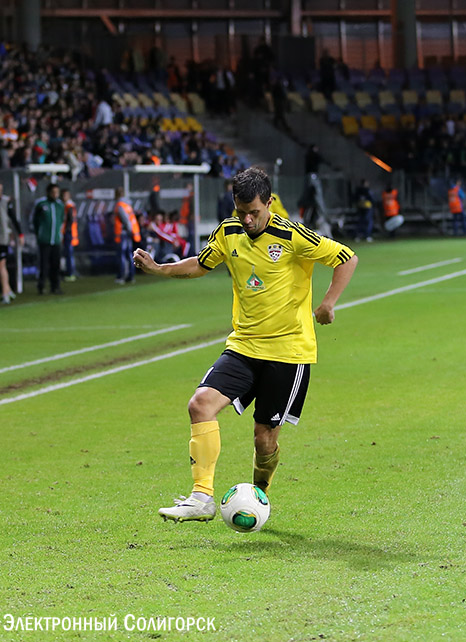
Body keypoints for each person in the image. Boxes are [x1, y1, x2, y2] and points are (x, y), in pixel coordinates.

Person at [133, 167, 358, 523]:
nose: (248, 219)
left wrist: (328, 303)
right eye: (241, 211)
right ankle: (201, 497)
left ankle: (258, 495)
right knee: (200, 405)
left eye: (254, 211)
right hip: (243, 346)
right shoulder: (229, 231)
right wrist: (161, 269)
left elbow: (346, 257)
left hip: (288, 352)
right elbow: (201, 264)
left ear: (269, 202)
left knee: (263, 439)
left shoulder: (292, 235)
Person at [30, 183, 65, 295]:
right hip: (44, 240)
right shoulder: (41, 204)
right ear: (48, 192)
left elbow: (61, 220)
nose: (55, 194)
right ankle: (41, 286)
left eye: (57, 192)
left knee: (56, 264)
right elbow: (34, 220)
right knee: (44, 264)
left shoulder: (60, 205)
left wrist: (60, 234)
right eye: (53, 192)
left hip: (56, 240)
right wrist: (38, 233)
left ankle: (55, 286)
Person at [113, 187, 141, 284]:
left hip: (123, 233)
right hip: (129, 233)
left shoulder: (120, 205)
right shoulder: (127, 205)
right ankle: (131, 276)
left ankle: (122, 276)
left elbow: (126, 221)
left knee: (122, 255)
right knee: (129, 255)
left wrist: (129, 230)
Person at [61, 188, 79, 280]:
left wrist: (66, 230)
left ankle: (70, 273)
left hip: (69, 233)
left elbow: (70, 220)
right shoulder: (69, 206)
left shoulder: (69, 206)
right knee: (68, 253)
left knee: (69, 253)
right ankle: (70, 272)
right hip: (70, 232)